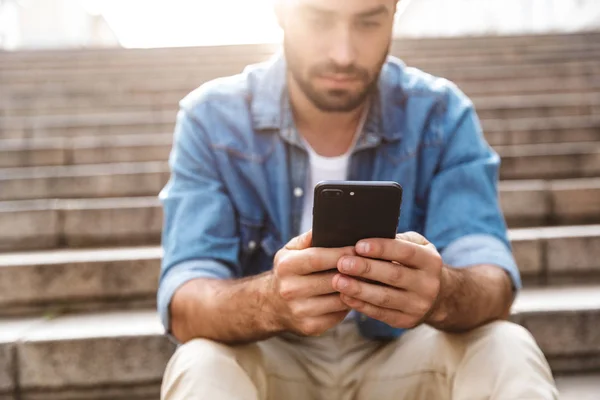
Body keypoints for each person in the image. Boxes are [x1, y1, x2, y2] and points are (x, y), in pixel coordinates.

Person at [157, 0, 559, 398]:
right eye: (319, 20)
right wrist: (270, 303)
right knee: (201, 362)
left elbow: (493, 281)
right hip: (272, 356)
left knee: (506, 347)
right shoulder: (210, 119)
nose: (343, 54)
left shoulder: (441, 113)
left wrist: (441, 292)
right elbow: (185, 302)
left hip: (406, 353)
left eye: (368, 23)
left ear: (394, 14)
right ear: (280, 11)